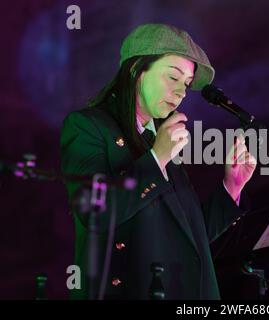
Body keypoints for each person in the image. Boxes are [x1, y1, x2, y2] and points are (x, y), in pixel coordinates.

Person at [60, 23, 256, 300]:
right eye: (172, 78)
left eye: (186, 84)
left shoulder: (161, 137)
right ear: (136, 70)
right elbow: (93, 211)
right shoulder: (88, 127)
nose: (181, 93)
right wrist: (157, 158)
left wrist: (231, 188)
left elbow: (185, 236)